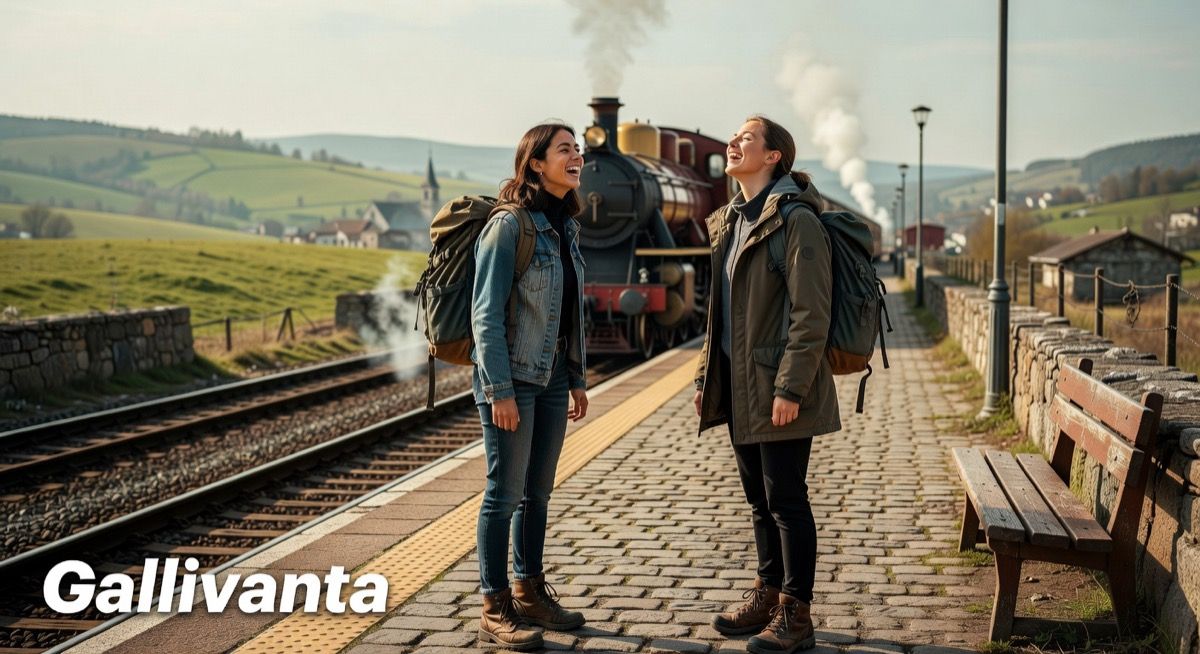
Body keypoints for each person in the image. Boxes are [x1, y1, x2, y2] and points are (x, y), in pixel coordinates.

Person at [693, 115, 841, 654]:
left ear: (774, 156)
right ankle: (767, 592)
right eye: (734, 137)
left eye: (746, 138)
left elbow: (811, 313)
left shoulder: (796, 221)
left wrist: (791, 388)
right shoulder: (731, 220)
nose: (733, 143)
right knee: (759, 499)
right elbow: (719, 313)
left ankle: (797, 615)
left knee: (786, 499)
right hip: (737, 385)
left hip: (777, 385)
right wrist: (705, 375)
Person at [471, 122, 589, 650]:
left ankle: (531, 590)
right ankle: (494, 605)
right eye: (564, 148)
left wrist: (577, 378)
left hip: (551, 377)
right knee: (504, 494)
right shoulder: (509, 226)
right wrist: (498, 390)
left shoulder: (565, 226)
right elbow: (485, 315)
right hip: (512, 378)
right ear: (536, 163)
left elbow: (568, 313)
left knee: (537, 495)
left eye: (577, 148)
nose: (577, 155)